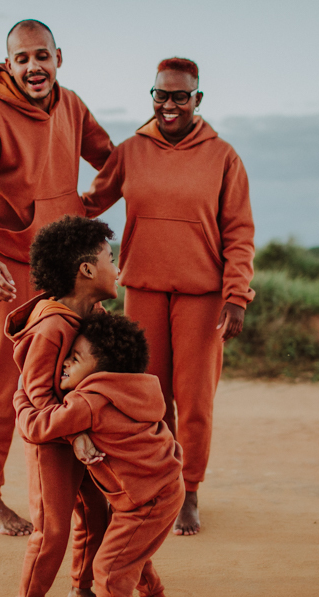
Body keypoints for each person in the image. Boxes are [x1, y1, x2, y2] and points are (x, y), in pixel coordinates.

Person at [0, 19, 113, 536]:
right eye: (23, 59)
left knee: (78, 368)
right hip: (8, 269)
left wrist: (90, 207)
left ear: (59, 58)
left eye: (42, 56)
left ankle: (80, 486)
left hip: (63, 266)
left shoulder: (72, 105)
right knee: (4, 379)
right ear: (10, 64)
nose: (34, 67)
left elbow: (112, 161)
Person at [82, 57, 255, 536]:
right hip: (143, 290)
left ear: (198, 100)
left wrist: (236, 293)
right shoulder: (131, 150)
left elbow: (239, 231)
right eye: (162, 95)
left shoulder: (224, 156)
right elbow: (90, 204)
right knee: (147, 397)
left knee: (194, 399)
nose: (170, 104)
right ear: (152, 96)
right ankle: (157, 484)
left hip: (203, 295)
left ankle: (190, 491)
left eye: (181, 96)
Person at [14, 312, 184, 597]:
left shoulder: (89, 401)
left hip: (143, 500)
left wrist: (21, 394)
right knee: (130, 548)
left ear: (102, 371)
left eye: (74, 360)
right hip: (163, 488)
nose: (64, 366)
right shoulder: (143, 388)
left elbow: (37, 426)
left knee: (109, 570)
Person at [4, 216, 118, 597]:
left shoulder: (95, 315)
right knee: (52, 529)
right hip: (50, 440)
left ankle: (81, 589)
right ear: (87, 270)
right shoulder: (53, 326)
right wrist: (74, 437)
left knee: (97, 513)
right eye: (111, 258)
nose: (117, 268)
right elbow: (36, 398)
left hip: (80, 437)